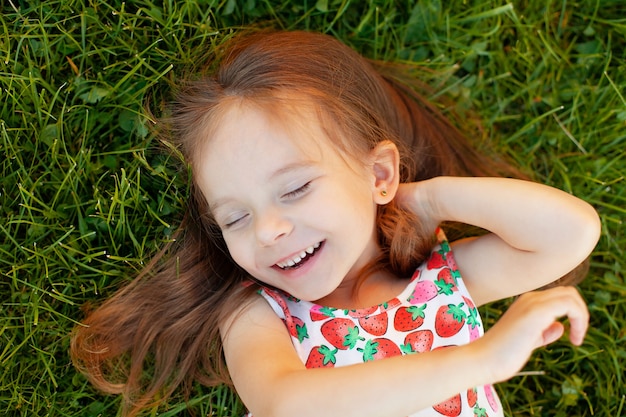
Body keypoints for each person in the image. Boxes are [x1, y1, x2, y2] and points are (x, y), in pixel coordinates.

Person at [71, 30, 601, 417]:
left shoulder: (437, 281)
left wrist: (425, 200)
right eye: (235, 218)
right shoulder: (260, 316)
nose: (268, 230)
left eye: (296, 188)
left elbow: (570, 234)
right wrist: (483, 359)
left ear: (378, 173)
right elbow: (287, 404)